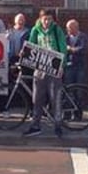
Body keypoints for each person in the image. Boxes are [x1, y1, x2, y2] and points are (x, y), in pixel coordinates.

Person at [22, 9, 68, 138]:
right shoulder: (35, 30)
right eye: (45, 19)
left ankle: (58, 125)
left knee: (55, 98)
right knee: (37, 98)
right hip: (40, 68)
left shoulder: (56, 30)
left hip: (54, 69)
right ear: (40, 19)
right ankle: (35, 125)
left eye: (49, 19)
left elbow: (63, 48)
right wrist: (24, 53)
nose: (47, 22)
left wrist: (61, 66)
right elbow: (31, 46)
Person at [64, 19, 88, 86]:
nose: (67, 30)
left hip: (80, 66)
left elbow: (83, 49)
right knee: (69, 86)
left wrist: (70, 49)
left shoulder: (83, 37)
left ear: (75, 28)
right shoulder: (66, 38)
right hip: (69, 65)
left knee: (80, 86)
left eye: (69, 28)